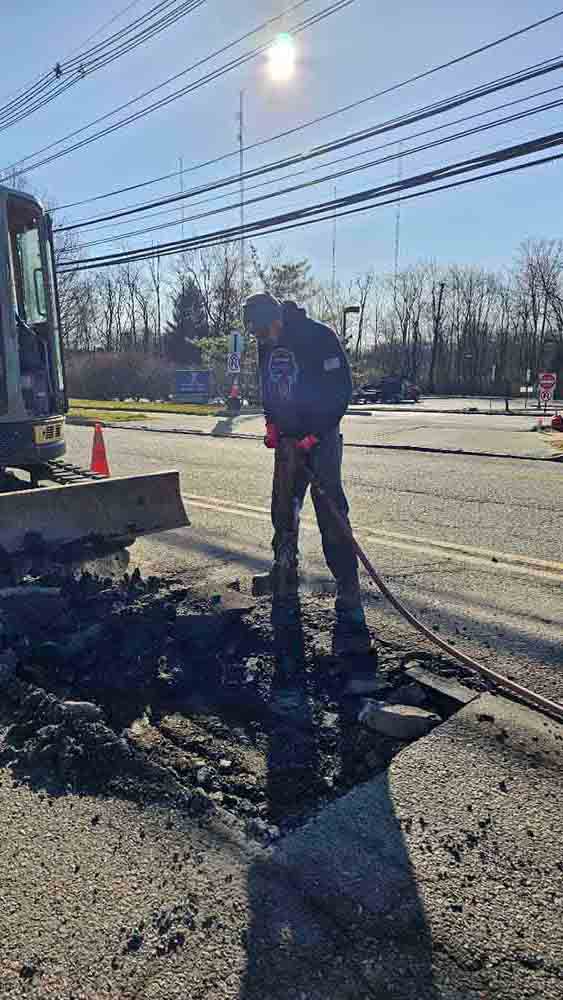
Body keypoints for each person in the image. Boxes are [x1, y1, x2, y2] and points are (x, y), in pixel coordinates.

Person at [243, 292, 376, 694]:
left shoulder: (319, 337)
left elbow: (340, 391)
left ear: (278, 317)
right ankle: (285, 571)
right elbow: (268, 387)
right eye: (257, 334)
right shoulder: (266, 345)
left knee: (330, 512)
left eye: (265, 330)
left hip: (321, 441)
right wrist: (270, 423)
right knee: (282, 508)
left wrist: (315, 434)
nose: (262, 339)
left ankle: (348, 593)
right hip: (286, 440)